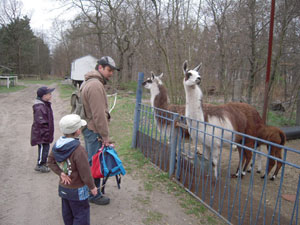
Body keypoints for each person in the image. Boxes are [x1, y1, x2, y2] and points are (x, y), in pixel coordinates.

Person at [81, 56, 119, 205]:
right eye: (109, 70)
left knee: (91, 161)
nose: (111, 73)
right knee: (94, 163)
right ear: (100, 68)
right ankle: (93, 194)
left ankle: (90, 190)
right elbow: (99, 115)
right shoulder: (95, 85)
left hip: (89, 128)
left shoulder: (88, 82)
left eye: (112, 71)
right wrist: (105, 137)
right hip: (93, 130)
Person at [48, 114, 98, 225]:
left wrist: (61, 173)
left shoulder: (58, 145)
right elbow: (85, 173)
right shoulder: (79, 150)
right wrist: (92, 187)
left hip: (63, 187)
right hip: (78, 189)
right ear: (78, 131)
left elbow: (50, 161)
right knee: (81, 215)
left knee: (68, 214)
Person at [30, 86, 55, 173]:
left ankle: (43, 162)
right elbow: (40, 122)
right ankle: (40, 164)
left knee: (46, 148)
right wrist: (45, 133)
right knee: (42, 148)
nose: (51, 95)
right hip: (42, 134)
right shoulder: (40, 107)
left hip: (45, 133)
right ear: (43, 96)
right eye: (49, 94)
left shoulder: (45, 104)